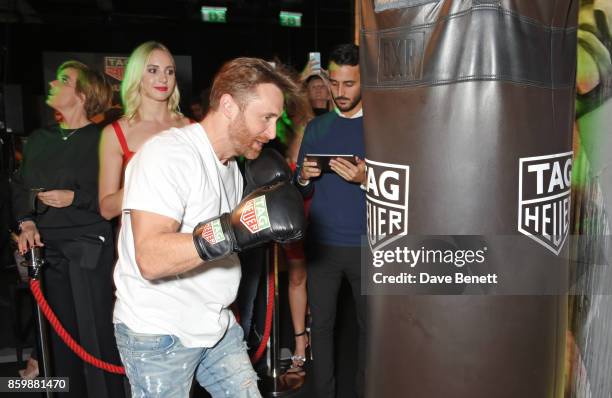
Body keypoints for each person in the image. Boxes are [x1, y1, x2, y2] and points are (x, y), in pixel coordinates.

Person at [112, 57, 305, 398]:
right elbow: (151, 258)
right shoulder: (168, 155)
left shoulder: (230, 164)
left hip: (215, 324)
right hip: (160, 333)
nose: (273, 132)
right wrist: (234, 229)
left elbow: (224, 242)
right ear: (229, 105)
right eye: (266, 118)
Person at [11, 60, 125, 398]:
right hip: (45, 251)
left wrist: (76, 196)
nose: (53, 83)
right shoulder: (39, 139)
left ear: (82, 94)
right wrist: (27, 221)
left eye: (64, 80)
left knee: (95, 337)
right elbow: (19, 187)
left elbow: (116, 191)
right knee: (58, 341)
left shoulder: (102, 138)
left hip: (88, 246)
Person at [294, 43, 367, 398]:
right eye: (334, 83)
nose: (339, 93)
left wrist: (366, 179)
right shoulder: (317, 128)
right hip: (323, 246)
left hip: (368, 246)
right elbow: (301, 190)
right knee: (320, 328)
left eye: (349, 84)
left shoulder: (384, 127)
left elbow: (407, 187)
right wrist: (304, 177)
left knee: (369, 330)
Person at [99, 41, 191, 220]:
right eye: (153, 70)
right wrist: (146, 182)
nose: (163, 78)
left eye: (169, 71)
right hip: (139, 238)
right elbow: (107, 210)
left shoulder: (190, 127)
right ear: (137, 75)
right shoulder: (115, 134)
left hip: (187, 233)